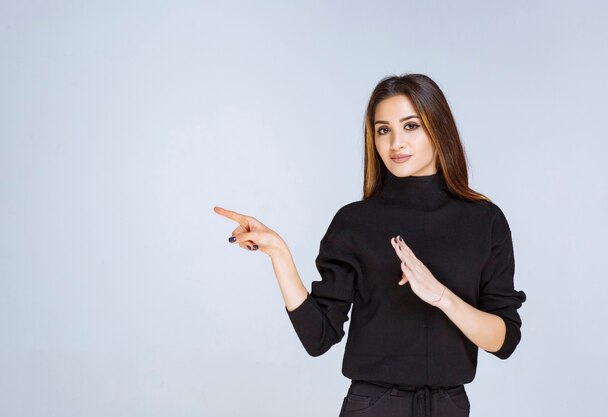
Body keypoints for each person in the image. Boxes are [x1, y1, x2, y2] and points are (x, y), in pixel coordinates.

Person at [214, 73, 527, 417]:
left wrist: (441, 297)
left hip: (449, 406)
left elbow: (504, 339)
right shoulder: (355, 222)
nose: (396, 143)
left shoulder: (485, 221)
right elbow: (318, 339)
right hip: (374, 406)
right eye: (383, 130)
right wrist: (278, 253)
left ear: (439, 128)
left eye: (411, 126)